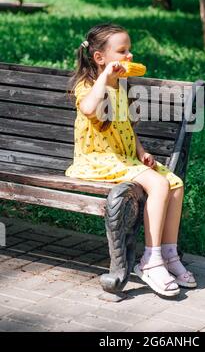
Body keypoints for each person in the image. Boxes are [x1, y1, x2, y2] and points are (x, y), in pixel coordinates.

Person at [66, 23, 196, 297]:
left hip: (123, 158)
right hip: (96, 160)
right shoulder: (87, 86)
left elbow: (126, 126)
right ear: (100, 58)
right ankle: (150, 260)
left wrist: (141, 151)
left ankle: (169, 253)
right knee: (158, 185)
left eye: (130, 50)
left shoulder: (121, 87)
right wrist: (105, 78)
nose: (129, 56)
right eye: (122, 51)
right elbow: (90, 108)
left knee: (174, 183)